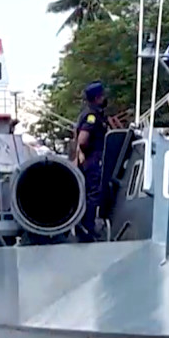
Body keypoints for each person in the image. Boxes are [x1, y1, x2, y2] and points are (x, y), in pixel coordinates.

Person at [73, 80, 109, 242]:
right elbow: (82, 140)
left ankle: (84, 226)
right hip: (92, 160)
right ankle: (87, 227)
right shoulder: (92, 116)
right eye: (102, 96)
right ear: (97, 98)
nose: (104, 98)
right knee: (93, 194)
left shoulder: (89, 113)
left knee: (88, 193)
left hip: (89, 159)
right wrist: (88, 155)